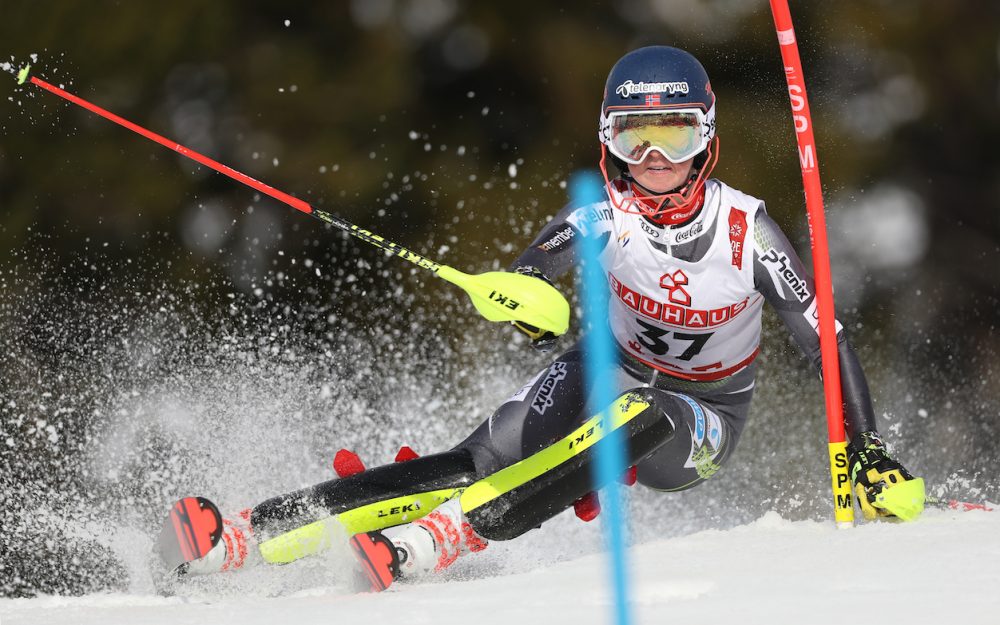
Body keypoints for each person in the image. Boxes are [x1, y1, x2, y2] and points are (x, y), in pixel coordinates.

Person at [181, 46, 924, 587]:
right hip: (606, 369)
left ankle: (444, 539)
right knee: (479, 457)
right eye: (637, 139)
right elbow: (538, 265)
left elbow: (824, 336)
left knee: (646, 408)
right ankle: (249, 534)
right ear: (610, 146)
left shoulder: (746, 230)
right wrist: (529, 301)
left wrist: (867, 447)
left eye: (676, 137)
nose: (657, 161)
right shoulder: (604, 215)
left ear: (707, 140)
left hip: (700, 419)